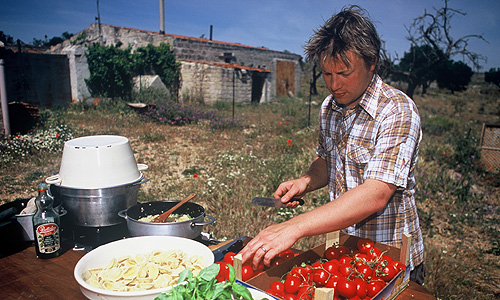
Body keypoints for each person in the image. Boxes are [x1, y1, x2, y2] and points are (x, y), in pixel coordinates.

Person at [240, 5, 425, 285]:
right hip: (343, 254)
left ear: (372, 61)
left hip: (387, 261)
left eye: (344, 73)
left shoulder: (397, 111)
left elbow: (376, 193)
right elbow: (328, 159)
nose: (334, 84)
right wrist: (306, 181)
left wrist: (294, 227)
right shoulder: (331, 107)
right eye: (327, 74)